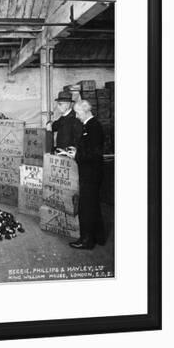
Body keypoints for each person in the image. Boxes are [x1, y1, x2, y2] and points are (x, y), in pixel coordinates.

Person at [65, 100, 106, 250]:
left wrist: (76, 155)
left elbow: (94, 154)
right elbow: (89, 149)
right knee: (93, 205)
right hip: (92, 173)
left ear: (86, 111)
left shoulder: (93, 127)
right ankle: (98, 237)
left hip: (91, 174)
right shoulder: (90, 125)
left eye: (78, 113)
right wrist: (76, 151)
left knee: (86, 207)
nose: (76, 116)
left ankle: (86, 241)